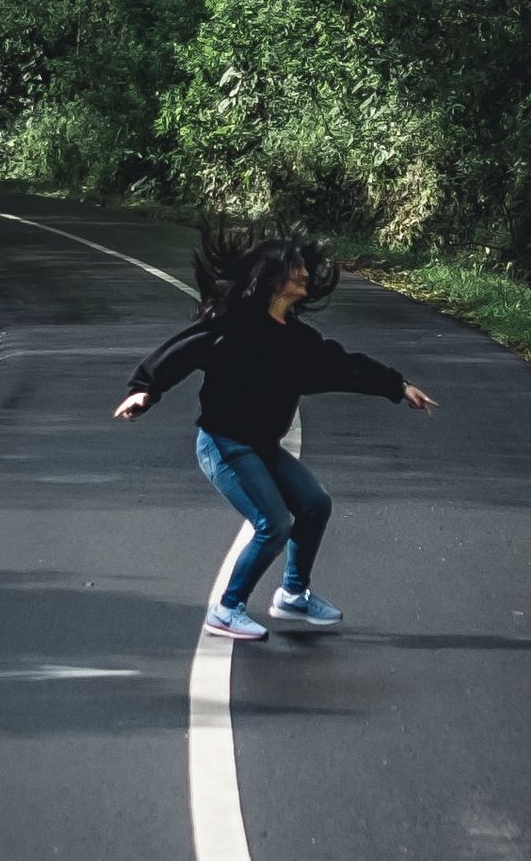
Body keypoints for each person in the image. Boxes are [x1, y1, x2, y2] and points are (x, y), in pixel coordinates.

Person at [112, 225, 438, 641]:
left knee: (315, 504)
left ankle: (293, 595)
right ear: (272, 277)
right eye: (295, 268)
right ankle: (226, 611)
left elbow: (344, 365)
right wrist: (145, 390)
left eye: (303, 267)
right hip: (225, 445)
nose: (304, 274)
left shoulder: (298, 340)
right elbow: (183, 350)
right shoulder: (232, 325)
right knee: (272, 523)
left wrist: (397, 386)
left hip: (262, 447)